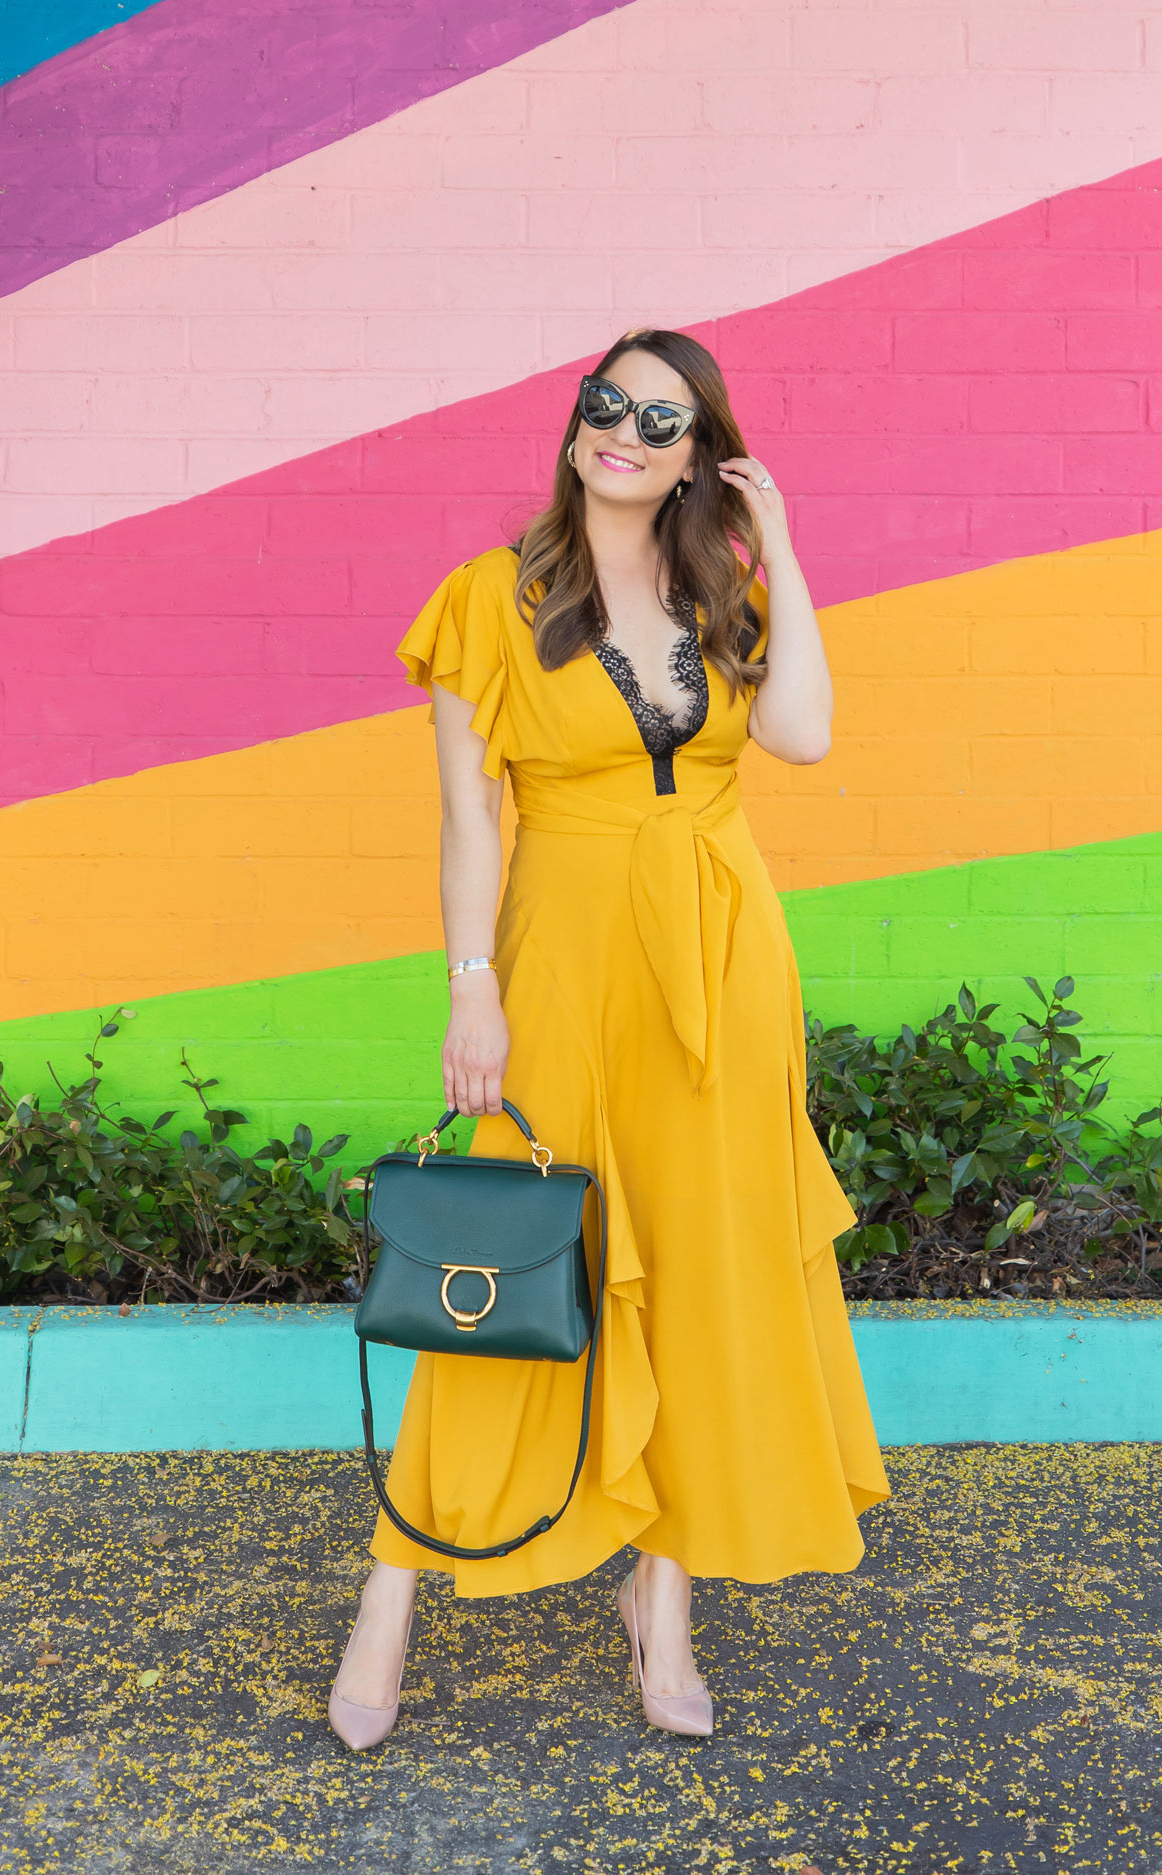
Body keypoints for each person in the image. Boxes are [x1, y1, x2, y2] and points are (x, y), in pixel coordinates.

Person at [328, 328, 890, 1749]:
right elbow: (470, 816)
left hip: (724, 969)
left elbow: (808, 737)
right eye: (605, 404)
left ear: (699, 452)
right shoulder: (490, 600)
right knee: (515, 1265)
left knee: (694, 1277)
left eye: (659, 416)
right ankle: (393, 1586)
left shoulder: (721, 595)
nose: (622, 431)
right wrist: (471, 986)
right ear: (574, 421)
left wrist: (784, 546)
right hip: (563, 966)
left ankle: (666, 1605)